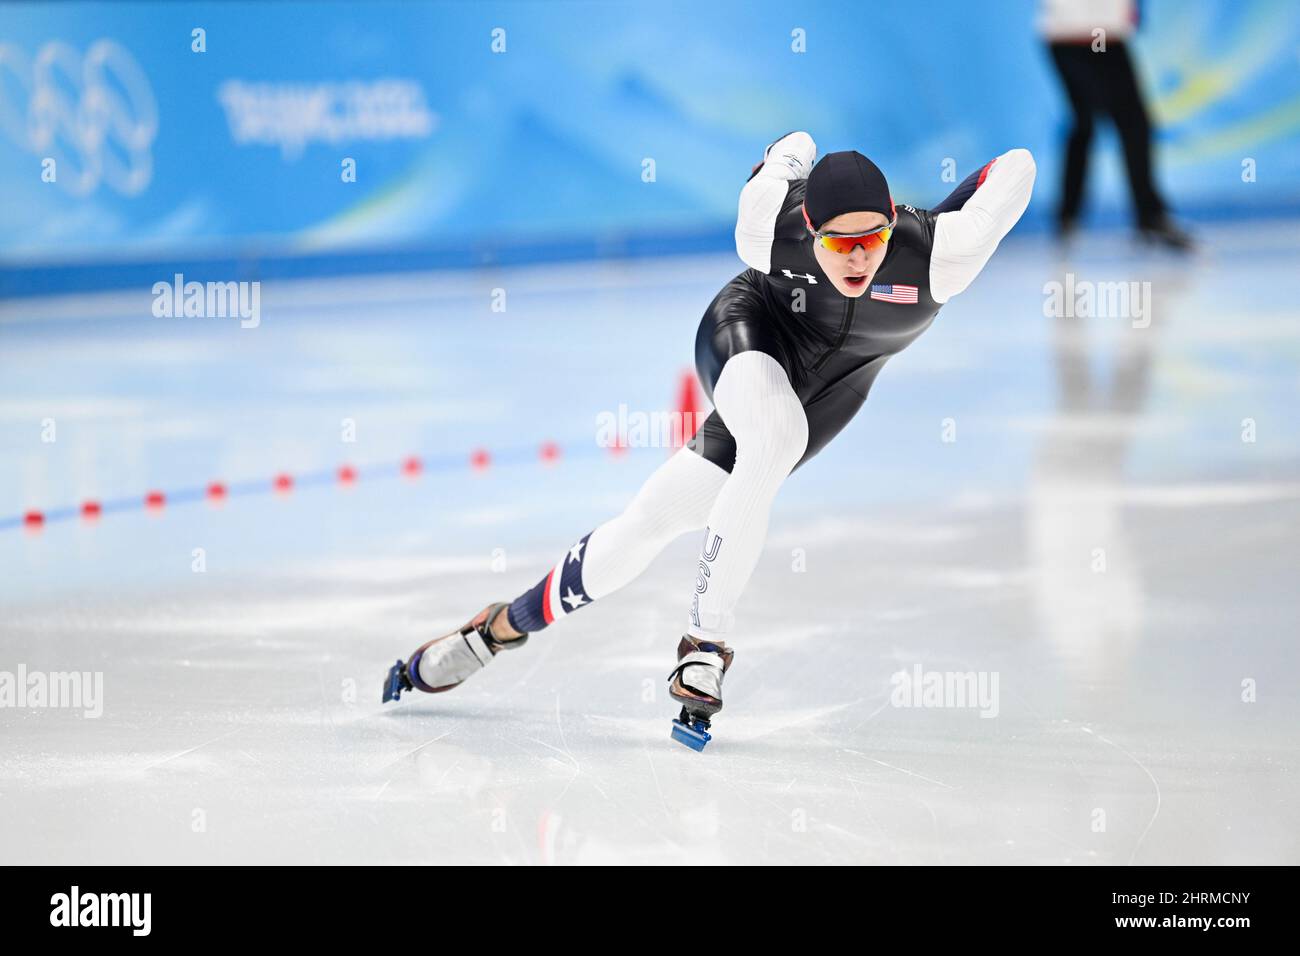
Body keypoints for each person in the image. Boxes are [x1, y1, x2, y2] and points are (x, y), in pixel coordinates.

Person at [382, 131, 1036, 746]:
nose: (859, 257)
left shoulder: (941, 256)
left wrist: (942, 219)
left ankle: (495, 630)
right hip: (750, 337)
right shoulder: (766, 236)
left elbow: (1018, 167)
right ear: (809, 231)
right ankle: (706, 646)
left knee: (649, 522)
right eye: (838, 245)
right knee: (774, 437)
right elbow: (789, 149)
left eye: (872, 238)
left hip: (836, 389)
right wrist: (788, 160)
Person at [1039, 0, 1192, 249]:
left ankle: (1067, 218)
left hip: (1065, 34)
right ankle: (1149, 216)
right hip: (1094, 35)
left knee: (1085, 123)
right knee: (1132, 124)